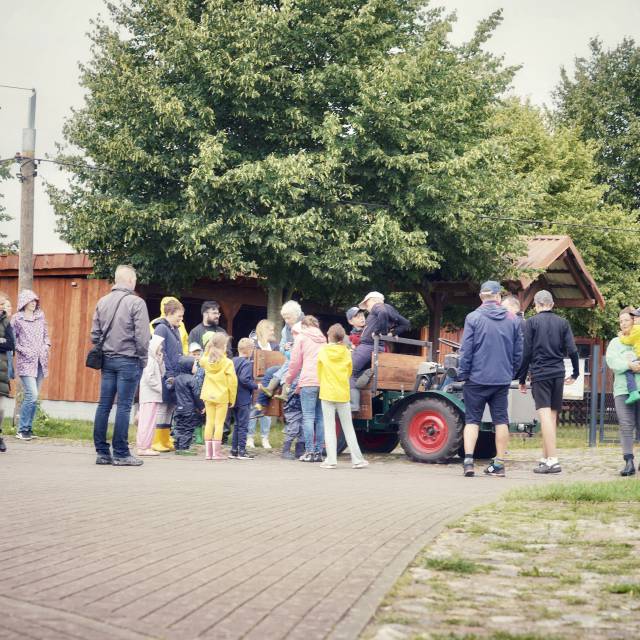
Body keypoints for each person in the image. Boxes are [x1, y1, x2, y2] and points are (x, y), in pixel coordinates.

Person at [459, 281, 523, 478]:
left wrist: (463, 373)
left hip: (476, 379)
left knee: (472, 420)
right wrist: (511, 372)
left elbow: (466, 349)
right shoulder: (513, 319)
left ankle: (469, 462)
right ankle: (499, 464)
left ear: (481, 297)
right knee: (501, 420)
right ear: (498, 297)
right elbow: (519, 352)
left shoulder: (473, 317)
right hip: (501, 379)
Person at [91, 265, 150, 466]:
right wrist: (144, 359)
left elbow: (95, 334)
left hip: (107, 360)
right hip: (129, 359)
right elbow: (142, 337)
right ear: (131, 281)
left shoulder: (102, 301)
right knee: (124, 406)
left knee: (104, 404)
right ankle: (121, 453)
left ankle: (102, 452)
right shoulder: (137, 303)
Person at [518, 289, 579, 475]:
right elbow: (573, 350)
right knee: (551, 419)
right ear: (552, 304)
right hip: (558, 374)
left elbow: (526, 353)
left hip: (541, 374)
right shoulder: (563, 322)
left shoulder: (531, 323)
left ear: (536, 305)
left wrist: (521, 378)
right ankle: (545, 459)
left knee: (544, 418)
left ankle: (553, 460)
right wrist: (575, 373)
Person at [318, 324, 368, 469]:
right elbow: (349, 371)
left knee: (329, 427)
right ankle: (357, 460)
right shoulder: (347, 352)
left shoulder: (323, 351)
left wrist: (325, 383)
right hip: (343, 393)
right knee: (348, 427)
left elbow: (319, 371)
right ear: (342, 338)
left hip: (327, 392)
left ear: (329, 336)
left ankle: (331, 460)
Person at [350, 292, 410, 411]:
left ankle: (354, 404)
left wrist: (379, 332)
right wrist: (392, 333)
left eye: (367, 304)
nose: (367, 308)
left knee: (349, 371)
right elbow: (406, 324)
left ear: (373, 300)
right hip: (379, 347)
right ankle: (366, 374)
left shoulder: (378, 307)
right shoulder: (391, 310)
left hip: (367, 346)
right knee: (358, 371)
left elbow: (382, 313)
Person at [285, 315, 327, 462]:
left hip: (308, 381)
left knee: (308, 417)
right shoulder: (324, 339)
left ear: (304, 325)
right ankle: (319, 452)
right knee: (321, 418)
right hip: (323, 381)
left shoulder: (301, 338)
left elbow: (295, 362)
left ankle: (309, 451)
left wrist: (289, 380)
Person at [12, 290, 51, 440]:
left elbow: (46, 336)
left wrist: (46, 346)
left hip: (41, 361)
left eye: (35, 300)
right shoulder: (17, 319)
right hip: (26, 362)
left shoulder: (40, 317)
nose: (34, 303)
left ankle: (28, 429)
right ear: (24, 302)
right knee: (32, 395)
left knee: (35, 397)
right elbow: (13, 340)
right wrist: (25, 350)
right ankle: (21, 430)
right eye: (31, 300)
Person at [606, 308, 640, 476]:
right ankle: (629, 461)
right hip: (622, 390)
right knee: (626, 425)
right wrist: (629, 365)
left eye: (627, 320)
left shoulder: (638, 339)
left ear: (634, 321)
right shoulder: (615, 342)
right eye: (621, 321)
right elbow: (612, 362)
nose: (624, 323)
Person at [151, 299, 185, 452]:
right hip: (164, 374)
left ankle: (165, 439)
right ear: (170, 313)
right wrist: (169, 373)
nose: (181, 319)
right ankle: (156, 439)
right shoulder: (161, 328)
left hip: (175, 374)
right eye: (179, 316)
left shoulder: (176, 329)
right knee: (162, 407)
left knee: (170, 407)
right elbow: (161, 353)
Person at [199, 332, 237, 460]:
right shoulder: (228, 363)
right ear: (223, 346)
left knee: (209, 422)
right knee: (219, 424)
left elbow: (202, 359)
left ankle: (208, 453)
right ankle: (216, 453)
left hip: (208, 395)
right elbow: (232, 382)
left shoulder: (205, 361)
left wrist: (208, 348)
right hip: (222, 397)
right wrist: (232, 398)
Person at [247, 319, 279, 448]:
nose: (272, 332)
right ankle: (250, 437)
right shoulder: (253, 345)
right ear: (263, 330)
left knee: (267, 410)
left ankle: (265, 438)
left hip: (269, 382)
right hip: (256, 382)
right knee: (254, 408)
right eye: (270, 329)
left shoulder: (275, 346)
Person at [136, 334, 164, 457]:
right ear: (154, 347)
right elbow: (148, 378)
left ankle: (146, 446)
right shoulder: (149, 360)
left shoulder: (154, 360)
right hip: (149, 395)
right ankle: (143, 447)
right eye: (160, 346)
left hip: (153, 396)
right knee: (147, 422)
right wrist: (158, 388)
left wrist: (160, 361)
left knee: (150, 422)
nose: (161, 348)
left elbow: (163, 374)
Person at [230, 338, 258, 460]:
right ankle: (242, 451)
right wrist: (256, 385)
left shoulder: (232, 361)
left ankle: (234, 450)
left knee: (236, 425)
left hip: (233, 398)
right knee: (243, 425)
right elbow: (244, 379)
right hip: (243, 398)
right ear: (249, 350)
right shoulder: (247, 363)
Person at [173, 355, 204, 455]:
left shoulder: (177, 378)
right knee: (188, 428)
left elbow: (170, 388)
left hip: (178, 408)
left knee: (179, 427)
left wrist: (168, 382)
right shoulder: (192, 380)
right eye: (195, 365)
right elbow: (197, 395)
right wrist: (201, 407)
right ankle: (184, 448)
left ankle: (177, 446)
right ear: (188, 366)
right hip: (189, 409)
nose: (197, 367)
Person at [0, 291, 15, 453]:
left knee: (1, 408)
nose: (3, 307)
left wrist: (3, 341)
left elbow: (10, 344)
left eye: (4, 304)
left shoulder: (6, 323)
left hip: (1, 372)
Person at [616, 315, 640, 404]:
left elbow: (628, 340)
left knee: (629, 369)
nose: (635, 319)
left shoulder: (636, 328)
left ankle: (633, 392)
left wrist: (621, 336)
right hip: (621, 391)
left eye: (637, 317)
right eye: (621, 321)